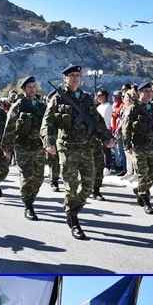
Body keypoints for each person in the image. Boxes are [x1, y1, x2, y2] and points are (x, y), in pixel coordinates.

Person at [41, 64, 115, 240]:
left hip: (86, 147)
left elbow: (96, 121)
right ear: (65, 78)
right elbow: (47, 122)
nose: (75, 78)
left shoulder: (86, 98)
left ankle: (72, 209)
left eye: (77, 75)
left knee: (88, 186)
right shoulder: (57, 98)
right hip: (67, 148)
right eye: (71, 75)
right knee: (71, 186)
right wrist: (48, 142)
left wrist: (107, 138)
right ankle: (73, 219)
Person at [2, 76, 48, 220]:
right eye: (29, 87)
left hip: (39, 146)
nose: (32, 89)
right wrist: (6, 148)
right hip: (22, 146)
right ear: (24, 89)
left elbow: (48, 127)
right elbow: (9, 127)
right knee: (27, 176)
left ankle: (30, 198)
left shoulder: (42, 106)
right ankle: (28, 205)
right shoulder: (18, 105)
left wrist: (49, 144)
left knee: (39, 178)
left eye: (34, 87)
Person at [120, 81, 153, 214]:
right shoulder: (133, 108)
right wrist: (127, 145)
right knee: (143, 174)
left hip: (152, 146)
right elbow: (126, 128)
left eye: (150, 91)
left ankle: (139, 190)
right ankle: (146, 200)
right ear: (140, 93)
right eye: (146, 91)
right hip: (138, 146)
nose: (149, 94)